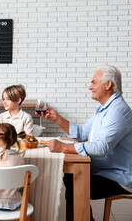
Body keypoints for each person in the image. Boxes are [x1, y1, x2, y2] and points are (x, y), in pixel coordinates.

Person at [37, 65, 132, 220]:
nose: (90, 87)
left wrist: (64, 147)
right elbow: (83, 134)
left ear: (108, 85)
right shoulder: (103, 108)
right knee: (70, 177)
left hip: (119, 176)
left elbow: (101, 148)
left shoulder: (117, 111)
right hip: (104, 170)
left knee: (74, 181)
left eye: (94, 83)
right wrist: (57, 119)